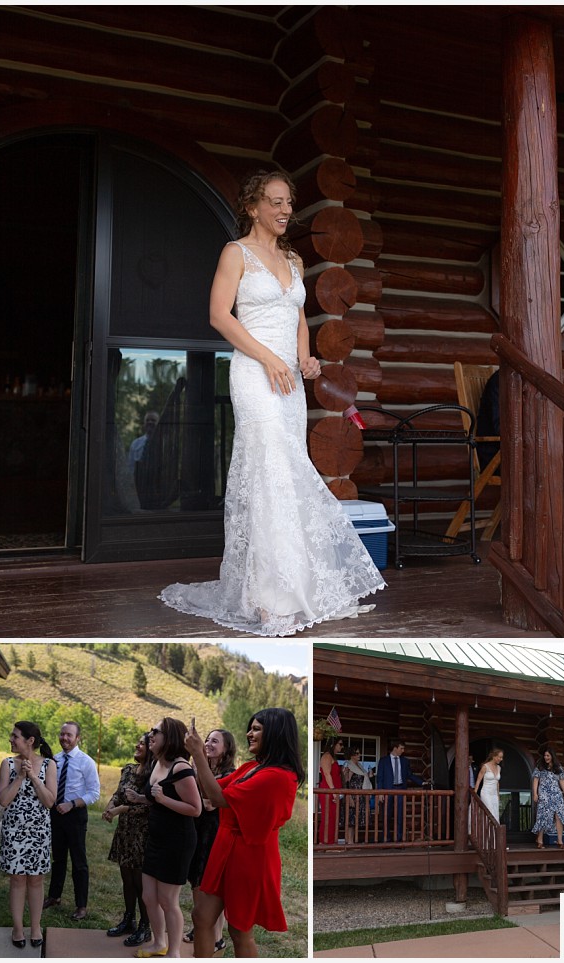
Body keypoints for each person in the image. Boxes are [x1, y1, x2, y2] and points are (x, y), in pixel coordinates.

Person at [158, 170, 385, 636]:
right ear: (253, 207)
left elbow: (298, 318)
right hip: (254, 374)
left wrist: (304, 359)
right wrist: (267, 359)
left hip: (288, 382)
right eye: (275, 202)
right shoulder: (235, 253)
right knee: (267, 473)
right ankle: (268, 598)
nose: (285, 211)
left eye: (288, 203)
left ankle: (301, 586)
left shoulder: (295, 260)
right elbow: (219, 315)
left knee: (290, 471)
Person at [184, 708, 304, 959]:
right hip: (226, 847)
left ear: (276, 734)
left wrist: (198, 753)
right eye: (251, 728)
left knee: (239, 930)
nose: (249, 733)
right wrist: (198, 759)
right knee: (201, 916)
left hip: (250, 855)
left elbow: (217, 798)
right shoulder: (252, 767)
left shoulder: (278, 777)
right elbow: (210, 790)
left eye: (257, 728)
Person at [476, 368, 564, 539]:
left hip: (540, 451)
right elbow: (501, 428)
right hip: (503, 457)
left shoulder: (536, 381)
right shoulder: (503, 380)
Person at [125, 718, 201, 959]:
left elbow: (195, 808)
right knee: (149, 896)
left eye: (155, 731)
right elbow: (156, 795)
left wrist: (162, 799)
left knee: (168, 900)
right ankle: (159, 943)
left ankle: (174, 953)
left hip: (177, 842)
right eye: (150, 731)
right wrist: (140, 798)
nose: (150, 735)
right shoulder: (157, 763)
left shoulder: (180, 768)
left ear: (169, 737)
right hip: (156, 838)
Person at [0, 721, 57, 949]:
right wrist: (20, 777)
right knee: (17, 879)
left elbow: (50, 801)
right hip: (14, 831)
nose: (11, 739)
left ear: (30, 741)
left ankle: (35, 927)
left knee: (36, 879)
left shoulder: (49, 765)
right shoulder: (7, 764)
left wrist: (33, 777)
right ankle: (18, 928)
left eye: (15, 736)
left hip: (38, 832)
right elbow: (3, 800)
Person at [184, 729, 237, 954]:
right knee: (197, 881)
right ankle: (201, 927)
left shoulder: (230, 773)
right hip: (198, 830)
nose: (208, 743)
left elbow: (211, 802)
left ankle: (217, 937)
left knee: (213, 886)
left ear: (226, 748)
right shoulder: (200, 767)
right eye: (207, 739)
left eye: (215, 741)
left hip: (216, 833)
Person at [43, 721, 101, 920]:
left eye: (69, 735)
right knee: (58, 858)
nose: (64, 738)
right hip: (55, 814)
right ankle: (54, 896)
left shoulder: (86, 762)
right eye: (62, 734)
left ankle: (81, 906)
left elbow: (94, 793)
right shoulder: (54, 760)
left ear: (78, 738)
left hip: (75, 815)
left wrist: (73, 804)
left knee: (79, 862)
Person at [102, 732, 154, 947]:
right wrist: (110, 805)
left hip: (142, 834)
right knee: (127, 880)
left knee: (141, 883)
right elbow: (118, 792)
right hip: (125, 832)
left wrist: (122, 809)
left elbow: (149, 805)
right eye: (138, 742)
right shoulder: (128, 769)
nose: (137, 745)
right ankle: (129, 919)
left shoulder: (154, 773)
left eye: (142, 743)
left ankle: (145, 927)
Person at [376, 738, 428, 842]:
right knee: (387, 815)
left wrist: (421, 782)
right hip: (387, 791)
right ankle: (386, 840)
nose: (403, 750)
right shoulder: (383, 761)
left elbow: (410, 775)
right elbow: (380, 778)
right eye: (401, 748)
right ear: (395, 748)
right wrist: (380, 792)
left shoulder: (405, 761)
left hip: (400, 789)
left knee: (400, 815)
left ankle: (399, 840)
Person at [531, 748, 564, 848]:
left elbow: (562, 781)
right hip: (544, 793)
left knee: (559, 815)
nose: (546, 757)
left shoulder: (558, 767)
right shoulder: (540, 766)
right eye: (545, 755)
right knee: (543, 815)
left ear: (552, 756)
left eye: (548, 756)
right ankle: (540, 840)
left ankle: (560, 841)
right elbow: (536, 780)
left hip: (556, 794)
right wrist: (535, 794)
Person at [317, 736, 344, 845]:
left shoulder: (333, 757)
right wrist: (333, 792)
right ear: (333, 744)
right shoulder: (327, 756)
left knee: (333, 817)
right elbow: (327, 774)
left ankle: (330, 842)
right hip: (328, 791)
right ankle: (325, 842)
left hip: (334, 792)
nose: (342, 747)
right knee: (328, 817)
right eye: (340, 744)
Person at [342, 746, 372, 844]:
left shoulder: (359, 766)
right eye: (357, 753)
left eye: (359, 753)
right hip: (353, 795)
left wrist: (369, 775)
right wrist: (349, 796)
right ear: (352, 755)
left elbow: (363, 778)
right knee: (351, 820)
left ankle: (352, 842)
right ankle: (349, 842)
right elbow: (346, 782)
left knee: (356, 820)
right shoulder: (349, 765)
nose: (359, 755)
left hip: (361, 796)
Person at [474, 748, 504, 823]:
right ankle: (485, 832)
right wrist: (474, 793)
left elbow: (497, 782)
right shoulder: (485, 766)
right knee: (489, 812)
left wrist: (498, 795)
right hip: (486, 792)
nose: (501, 759)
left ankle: (493, 834)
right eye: (500, 757)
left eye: (502, 757)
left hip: (494, 794)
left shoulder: (499, 768)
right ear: (494, 756)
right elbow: (478, 780)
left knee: (495, 814)